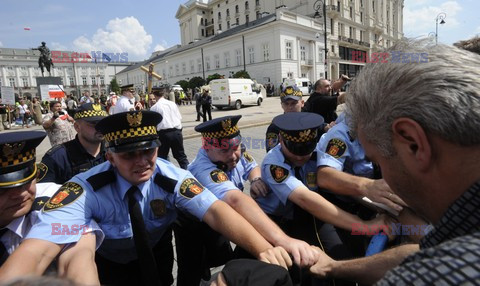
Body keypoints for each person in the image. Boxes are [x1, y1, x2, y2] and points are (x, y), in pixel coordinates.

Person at [6, 110, 293, 286]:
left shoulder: (169, 176)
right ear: (109, 157)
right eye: (129, 154)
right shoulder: (84, 189)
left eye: (149, 151)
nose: (142, 161)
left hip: (156, 254)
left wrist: (262, 248)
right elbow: (38, 249)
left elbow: (217, 210)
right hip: (110, 264)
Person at [309, 40, 480, 285]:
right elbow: (425, 250)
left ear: (413, 143)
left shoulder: (436, 272)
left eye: (379, 159)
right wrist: (336, 267)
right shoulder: (340, 134)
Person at [177, 115, 319, 286]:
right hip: (194, 223)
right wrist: (281, 240)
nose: (233, 156)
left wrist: (256, 180)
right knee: (191, 267)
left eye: (236, 147)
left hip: (221, 216)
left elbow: (252, 166)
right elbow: (235, 199)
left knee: (223, 256)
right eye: (224, 151)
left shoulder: (235, 152)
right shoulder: (202, 168)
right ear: (207, 148)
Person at [256, 112, 388, 284]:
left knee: (335, 255)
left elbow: (341, 186)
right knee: (282, 269)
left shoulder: (317, 154)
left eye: (306, 149)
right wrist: (362, 226)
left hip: (308, 214)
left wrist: (378, 206)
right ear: (281, 139)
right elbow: (305, 198)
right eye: (294, 149)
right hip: (276, 219)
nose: (300, 156)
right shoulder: (274, 164)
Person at [0, 131, 102, 284]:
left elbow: (77, 259)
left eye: (27, 182)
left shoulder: (58, 202)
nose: (20, 194)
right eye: (4, 189)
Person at [38, 103, 108, 184]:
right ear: (77, 127)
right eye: (93, 124)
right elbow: (43, 191)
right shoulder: (57, 158)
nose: (100, 128)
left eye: (103, 123)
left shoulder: (114, 150)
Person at [150, 87, 189, 169]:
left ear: (154, 94)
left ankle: (165, 175)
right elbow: (179, 118)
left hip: (164, 134)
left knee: (162, 158)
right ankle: (190, 174)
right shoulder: (172, 104)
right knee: (181, 156)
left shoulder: (154, 107)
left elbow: (153, 124)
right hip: (177, 131)